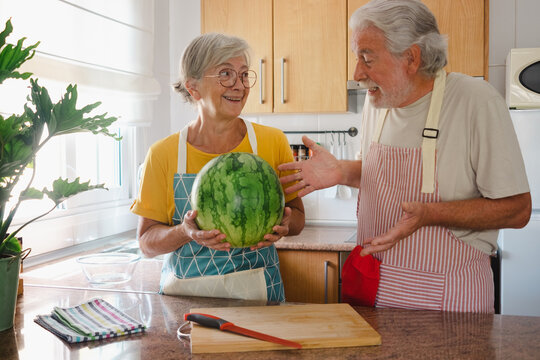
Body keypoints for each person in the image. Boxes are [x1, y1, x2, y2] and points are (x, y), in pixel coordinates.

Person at [279, 0, 531, 313]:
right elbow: (382, 175)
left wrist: (430, 214)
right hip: (375, 291)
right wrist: (342, 172)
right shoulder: (377, 104)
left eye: (367, 59)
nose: (358, 73)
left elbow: (517, 210)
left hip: (448, 299)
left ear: (411, 58)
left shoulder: (473, 101)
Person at [131, 33, 305, 302]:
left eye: (244, 74)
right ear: (193, 87)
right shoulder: (163, 154)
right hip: (185, 303)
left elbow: (298, 219)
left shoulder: (272, 142)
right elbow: (146, 244)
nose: (240, 85)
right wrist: (184, 232)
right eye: (226, 74)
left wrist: (285, 223)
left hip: (259, 297)